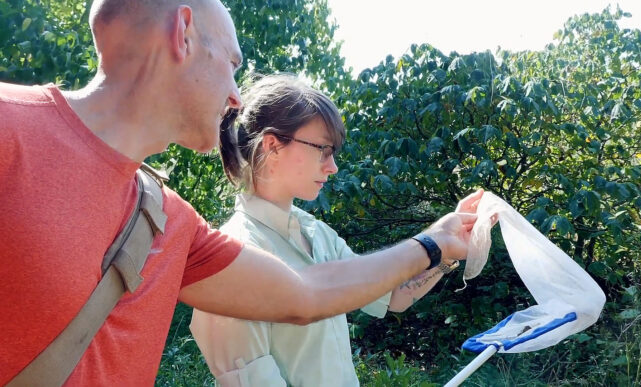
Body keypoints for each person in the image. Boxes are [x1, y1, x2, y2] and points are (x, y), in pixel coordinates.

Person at [0, 0, 482, 385]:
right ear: (182, 33)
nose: (236, 95)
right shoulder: (9, 126)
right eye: (232, 63)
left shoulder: (169, 220)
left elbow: (306, 293)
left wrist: (440, 245)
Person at [190, 74, 482, 386]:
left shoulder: (317, 232)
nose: (333, 166)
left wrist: (446, 247)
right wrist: (435, 243)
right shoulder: (233, 259)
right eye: (322, 149)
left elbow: (392, 295)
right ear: (273, 146)